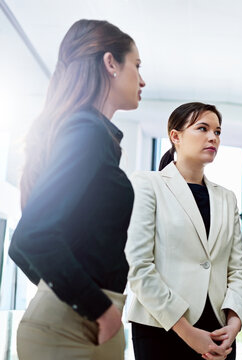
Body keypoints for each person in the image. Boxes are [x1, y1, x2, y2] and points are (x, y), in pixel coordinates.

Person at [8, 19, 145, 360]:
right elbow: (31, 238)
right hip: (75, 327)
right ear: (110, 63)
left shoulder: (89, 133)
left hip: (79, 321)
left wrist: (67, 293)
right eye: (137, 66)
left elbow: (23, 249)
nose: (142, 80)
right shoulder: (85, 132)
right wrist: (97, 307)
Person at [125, 102, 242, 360]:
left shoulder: (227, 198)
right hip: (161, 327)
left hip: (220, 332)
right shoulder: (148, 184)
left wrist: (234, 324)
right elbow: (139, 266)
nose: (213, 137)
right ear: (175, 136)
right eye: (203, 128)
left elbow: (237, 269)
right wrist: (187, 331)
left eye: (217, 131)